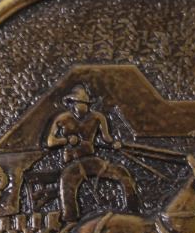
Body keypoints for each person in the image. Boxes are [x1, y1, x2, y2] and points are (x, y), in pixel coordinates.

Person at [47, 84, 139, 221]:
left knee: (122, 173)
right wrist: (66, 140)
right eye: (78, 103)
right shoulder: (63, 118)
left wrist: (114, 143)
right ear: (72, 103)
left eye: (84, 103)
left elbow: (106, 138)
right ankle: (70, 218)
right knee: (66, 182)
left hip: (91, 159)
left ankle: (133, 210)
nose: (81, 106)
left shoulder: (98, 117)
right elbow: (50, 142)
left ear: (88, 104)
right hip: (72, 162)